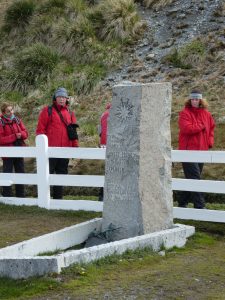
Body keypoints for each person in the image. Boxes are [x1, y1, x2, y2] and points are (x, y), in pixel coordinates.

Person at [36, 87, 79, 199]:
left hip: (65, 150)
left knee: (61, 175)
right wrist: (41, 147)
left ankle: (58, 199)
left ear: (67, 99)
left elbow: (73, 132)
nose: (61, 99)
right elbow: (40, 130)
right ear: (55, 98)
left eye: (64, 97)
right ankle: (45, 198)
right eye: (59, 97)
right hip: (49, 150)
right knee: (47, 174)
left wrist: (75, 148)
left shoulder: (70, 113)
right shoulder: (47, 110)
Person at [178, 89, 215, 209]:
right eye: (193, 99)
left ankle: (182, 202)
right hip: (188, 151)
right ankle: (200, 206)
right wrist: (201, 126)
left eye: (197, 98)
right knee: (195, 178)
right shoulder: (185, 113)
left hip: (202, 151)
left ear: (201, 100)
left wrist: (209, 143)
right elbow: (187, 129)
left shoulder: (207, 114)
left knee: (192, 177)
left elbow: (211, 129)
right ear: (189, 100)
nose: (195, 101)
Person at [0, 102, 28, 197]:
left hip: (19, 150)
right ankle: (7, 196)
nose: (11, 112)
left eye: (12, 110)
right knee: (7, 173)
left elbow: (25, 133)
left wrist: (21, 135)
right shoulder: (1, 122)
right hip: (8, 153)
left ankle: (21, 196)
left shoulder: (17, 120)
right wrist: (14, 136)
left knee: (20, 172)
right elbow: (1, 139)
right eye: (8, 111)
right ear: (3, 112)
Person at [98, 103, 111, 201]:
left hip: (104, 144)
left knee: (107, 171)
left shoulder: (104, 114)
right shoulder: (116, 113)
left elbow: (100, 131)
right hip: (112, 144)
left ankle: (102, 196)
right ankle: (104, 195)